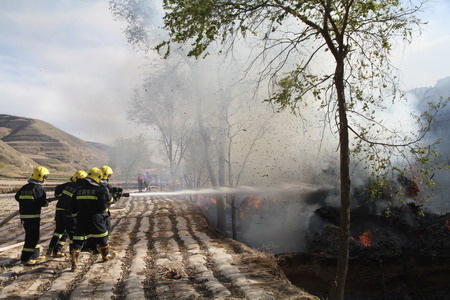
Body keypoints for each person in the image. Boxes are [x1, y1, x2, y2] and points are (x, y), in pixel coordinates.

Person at [70, 167, 116, 271]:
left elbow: (72, 206)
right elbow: (103, 207)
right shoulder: (101, 189)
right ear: (99, 177)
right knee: (103, 238)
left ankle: (74, 265)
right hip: (96, 218)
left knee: (77, 241)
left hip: (81, 218)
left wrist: (76, 217)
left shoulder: (79, 189)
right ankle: (105, 257)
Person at [46, 170, 87, 258]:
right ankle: (73, 255)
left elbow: (57, 188)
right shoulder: (81, 188)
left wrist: (57, 196)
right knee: (72, 233)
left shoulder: (69, 184)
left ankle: (52, 248)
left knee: (59, 230)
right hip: (69, 212)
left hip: (59, 209)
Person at [15, 166, 50, 265]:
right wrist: (46, 203)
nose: (45, 179)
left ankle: (35, 255)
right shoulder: (38, 188)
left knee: (34, 236)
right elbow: (42, 203)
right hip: (33, 217)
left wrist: (26, 203)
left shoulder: (25, 187)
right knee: (32, 238)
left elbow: (17, 197)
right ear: (41, 176)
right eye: (45, 177)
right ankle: (25, 258)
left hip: (24, 217)